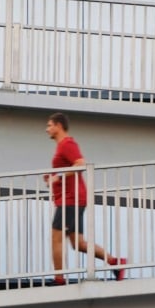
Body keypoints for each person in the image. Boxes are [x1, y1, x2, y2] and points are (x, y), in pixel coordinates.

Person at [44, 112, 126, 285]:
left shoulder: (67, 144)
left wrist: (57, 176)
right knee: (78, 243)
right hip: (72, 198)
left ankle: (59, 279)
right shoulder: (62, 146)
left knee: (55, 237)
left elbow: (80, 163)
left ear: (59, 126)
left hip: (71, 199)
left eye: (49, 125)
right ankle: (115, 262)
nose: (47, 129)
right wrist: (52, 178)